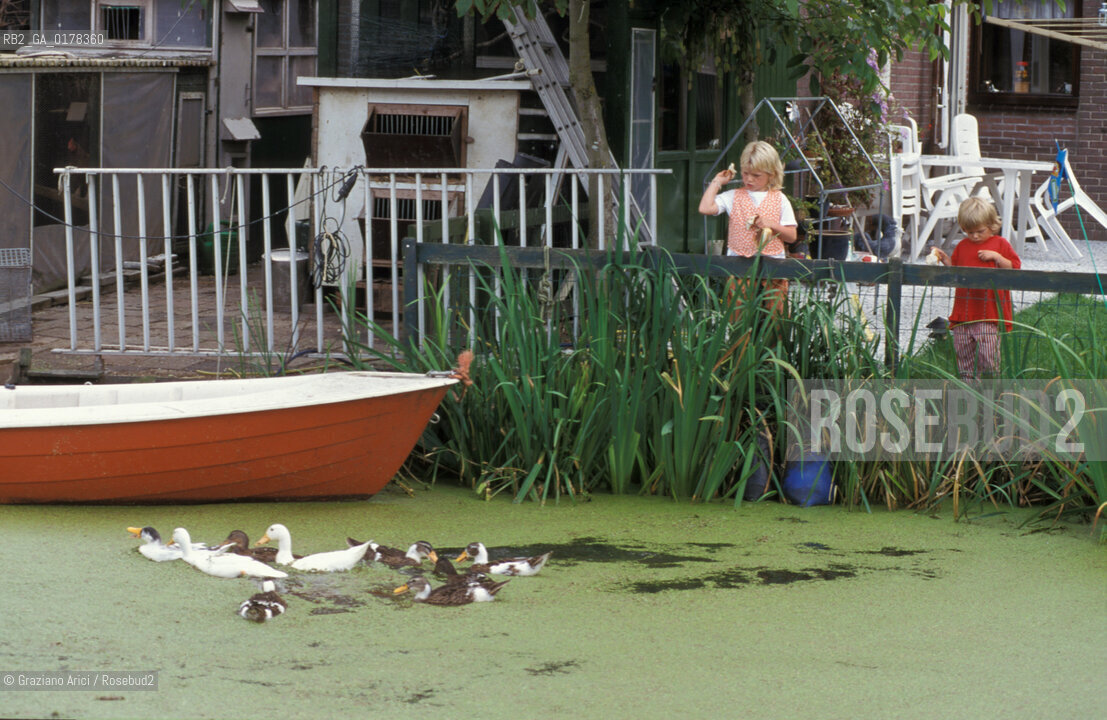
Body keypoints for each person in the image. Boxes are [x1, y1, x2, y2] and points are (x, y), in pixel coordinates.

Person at [698, 140, 797, 321]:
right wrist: (717, 182)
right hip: (739, 266)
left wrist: (772, 224)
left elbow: (791, 236)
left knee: (775, 317)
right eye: (745, 173)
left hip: (773, 266)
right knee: (738, 317)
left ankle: (773, 340)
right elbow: (705, 208)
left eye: (756, 175)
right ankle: (740, 341)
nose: (749, 179)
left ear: (771, 174)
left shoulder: (780, 199)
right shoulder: (733, 196)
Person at [928, 197, 1020, 380]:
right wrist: (945, 259)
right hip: (964, 312)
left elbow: (1014, 268)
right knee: (962, 351)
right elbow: (956, 270)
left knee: (989, 355)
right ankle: (968, 384)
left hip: (989, 313)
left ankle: (992, 385)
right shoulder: (962, 246)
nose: (975, 236)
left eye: (980, 231)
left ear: (992, 225)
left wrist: (997, 257)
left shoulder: (1000, 244)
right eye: (969, 232)